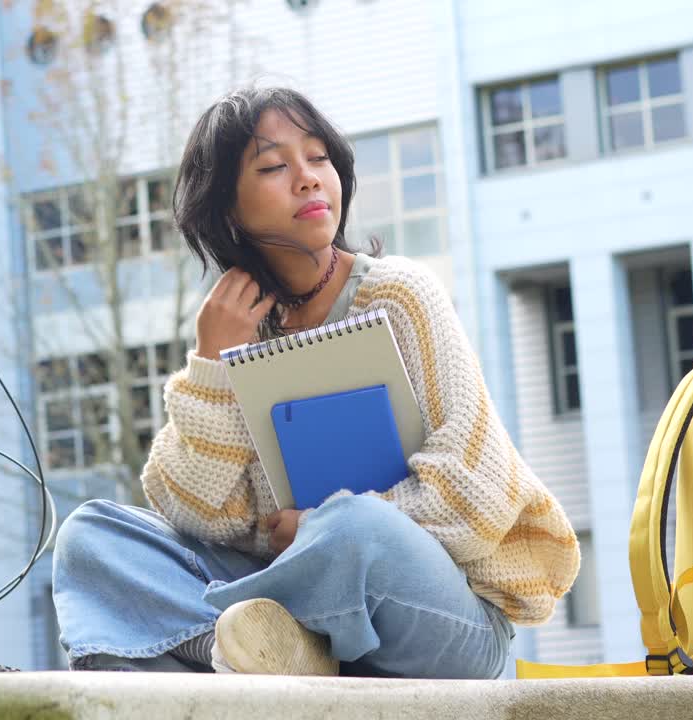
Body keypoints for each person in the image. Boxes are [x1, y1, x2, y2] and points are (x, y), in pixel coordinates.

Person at [51, 86, 580, 678]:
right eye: (275, 166)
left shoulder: (400, 294)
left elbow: (477, 493)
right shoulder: (235, 327)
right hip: (290, 613)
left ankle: (241, 649)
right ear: (229, 209)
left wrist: (313, 530)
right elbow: (200, 514)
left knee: (353, 526)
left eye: (318, 157)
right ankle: (240, 651)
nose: (307, 178)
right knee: (91, 534)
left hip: (437, 618)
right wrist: (210, 365)